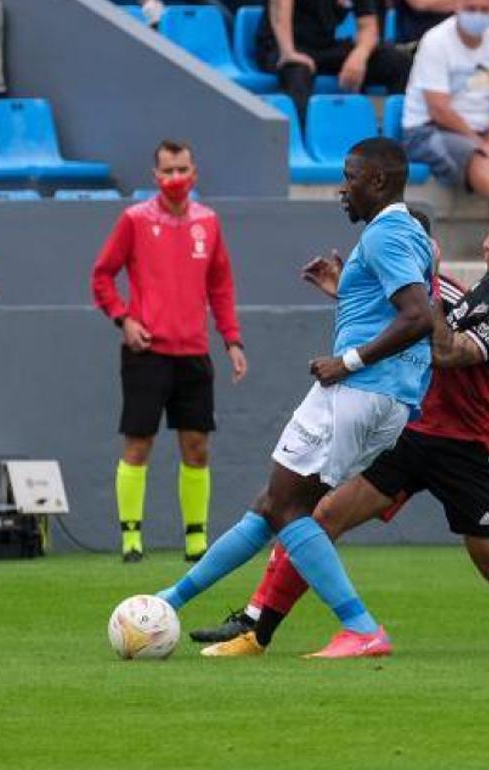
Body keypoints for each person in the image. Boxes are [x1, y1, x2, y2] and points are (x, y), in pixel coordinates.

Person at [198, 197, 489, 657]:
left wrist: (425, 290)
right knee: (322, 517)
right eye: (488, 232)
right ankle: (258, 635)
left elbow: (448, 350)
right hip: (414, 432)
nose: (485, 243)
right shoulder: (486, 288)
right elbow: (413, 320)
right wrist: (362, 291)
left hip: (463, 451)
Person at [149, 137, 435, 659]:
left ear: (377, 181)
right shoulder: (410, 233)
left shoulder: (386, 234)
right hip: (386, 396)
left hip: (359, 389)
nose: (341, 188)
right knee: (272, 505)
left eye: (349, 177)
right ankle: (170, 600)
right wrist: (346, 291)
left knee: (286, 507)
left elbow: (419, 316)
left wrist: (347, 361)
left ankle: (361, 628)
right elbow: (394, 308)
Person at [90, 139, 248, 563]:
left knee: (197, 446)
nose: (176, 178)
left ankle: (196, 539)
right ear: (155, 176)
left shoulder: (208, 222)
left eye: (182, 170)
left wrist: (232, 340)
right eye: (168, 171)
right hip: (147, 352)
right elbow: (102, 275)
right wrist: (124, 319)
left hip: (194, 352)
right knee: (138, 444)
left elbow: (221, 286)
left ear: (194, 173)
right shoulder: (135, 219)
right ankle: (131, 538)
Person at [402, 0, 489, 199]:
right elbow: (439, 109)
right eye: (471, 8)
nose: (478, 15)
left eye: (485, 9)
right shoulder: (435, 40)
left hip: (486, 131)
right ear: (457, 6)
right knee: (479, 158)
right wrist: (481, 145)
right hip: (429, 130)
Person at [256, 0, 412, 125]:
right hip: (281, 45)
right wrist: (288, 51)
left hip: (324, 46)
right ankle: (297, 141)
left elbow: (368, 26)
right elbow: (279, 5)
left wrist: (359, 56)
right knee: (297, 71)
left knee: (398, 62)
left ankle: (401, 134)